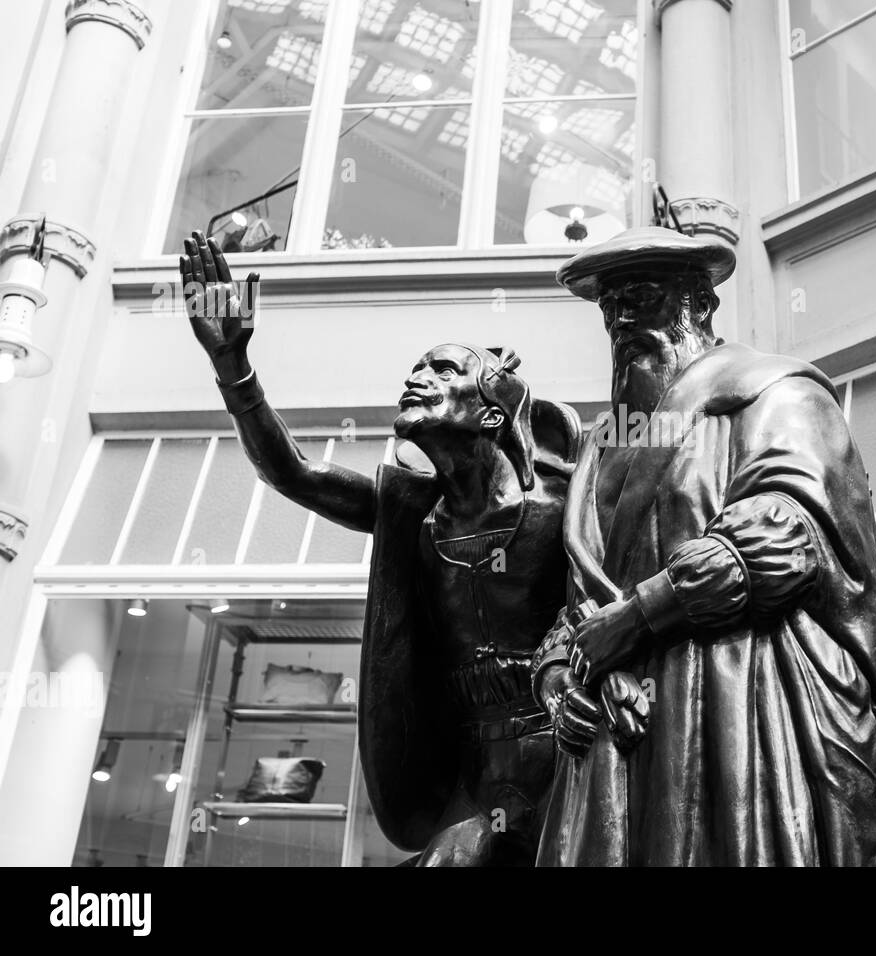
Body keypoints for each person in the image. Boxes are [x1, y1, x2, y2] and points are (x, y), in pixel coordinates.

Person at [177, 231, 604, 866]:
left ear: (491, 416)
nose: (417, 376)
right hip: (469, 768)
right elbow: (291, 472)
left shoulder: (565, 506)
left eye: (444, 369)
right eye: (418, 367)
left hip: (568, 753)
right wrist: (233, 367)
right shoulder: (410, 513)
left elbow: (603, 606)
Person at [530, 226, 876, 866]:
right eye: (610, 306)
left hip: (741, 729)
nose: (623, 318)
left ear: (699, 307)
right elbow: (574, 608)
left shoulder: (775, 394)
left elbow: (787, 536)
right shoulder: (599, 450)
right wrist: (560, 680)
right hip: (617, 757)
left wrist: (634, 617)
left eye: (645, 297)